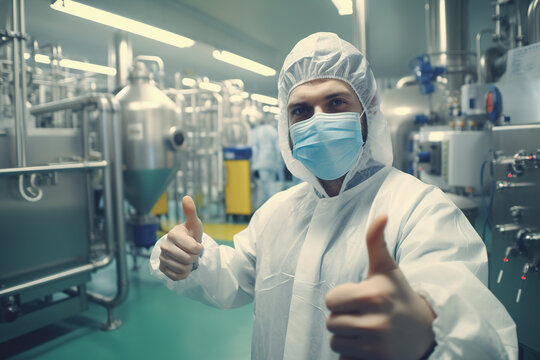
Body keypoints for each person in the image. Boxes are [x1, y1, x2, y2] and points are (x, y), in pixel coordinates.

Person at [150, 32, 517, 359]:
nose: (318, 119)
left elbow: (473, 317)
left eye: (336, 103)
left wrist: (428, 332)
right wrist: (192, 259)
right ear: (287, 127)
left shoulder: (421, 211)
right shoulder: (276, 212)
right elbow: (236, 276)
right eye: (302, 110)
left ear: (367, 112)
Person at [250, 114, 283, 209]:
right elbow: (278, 148)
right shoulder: (272, 130)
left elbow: (254, 149)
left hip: (261, 163)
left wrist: (254, 165)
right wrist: (279, 161)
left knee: (264, 186)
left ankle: (270, 207)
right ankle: (273, 206)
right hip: (272, 162)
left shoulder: (256, 132)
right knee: (271, 184)